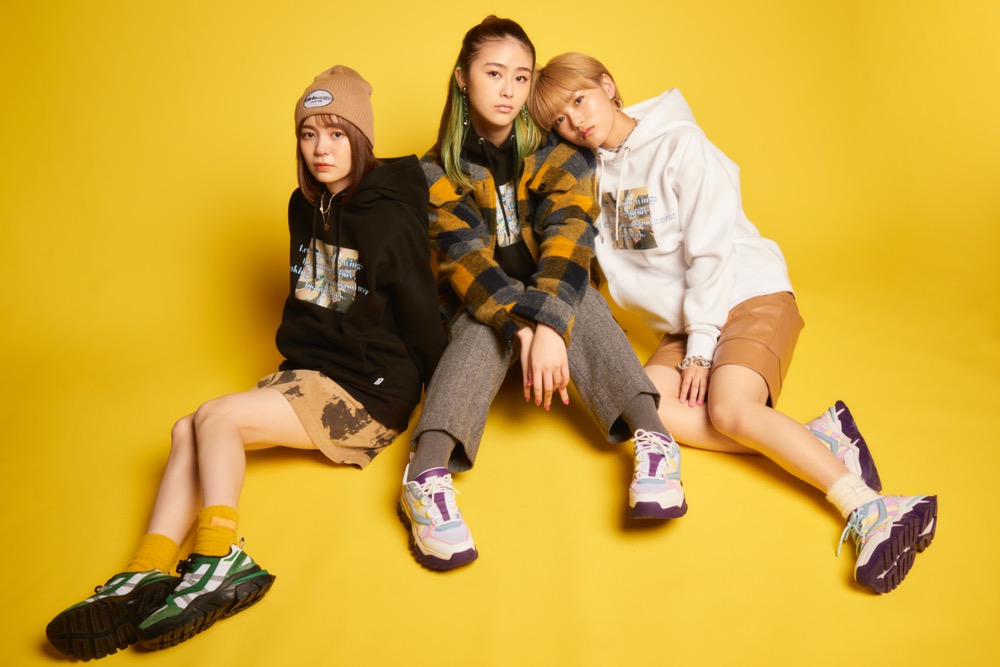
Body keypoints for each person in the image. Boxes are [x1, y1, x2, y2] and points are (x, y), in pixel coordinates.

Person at [45, 65, 445, 659]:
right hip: (312, 375)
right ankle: (147, 568)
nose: (321, 149)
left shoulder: (388, 216)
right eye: (309, 134)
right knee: (186, 428)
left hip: (369, 393)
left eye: (337, 133)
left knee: (217, 417)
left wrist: (439, 417)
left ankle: (219, 557)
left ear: (360, 137)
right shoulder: (303, 206)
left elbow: (422, 314)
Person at [529, 52, 936, 594]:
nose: (575, 121)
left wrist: (701, 350)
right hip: (684, 319)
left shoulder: (681, 145)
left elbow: (712, 254)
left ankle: (869, 507)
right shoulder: (589, 175)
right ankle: (818, 439)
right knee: (644, 406)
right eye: (559, 119)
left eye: (580, 100)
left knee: (729, 410)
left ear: (608, 85)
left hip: (746, 293)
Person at [397, 16, 686, 571]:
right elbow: (466, 262)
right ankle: (424, 475)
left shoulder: (559, 149)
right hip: (483, 310)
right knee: (479, 320)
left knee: (578, 293)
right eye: (494, 73)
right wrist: (526, 328)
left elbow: (571, 236)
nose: (508, 90)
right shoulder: (433, 171)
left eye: (521, 77)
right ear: (462, 78)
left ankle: (656, 441)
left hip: (557, 297)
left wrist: (550, 323)